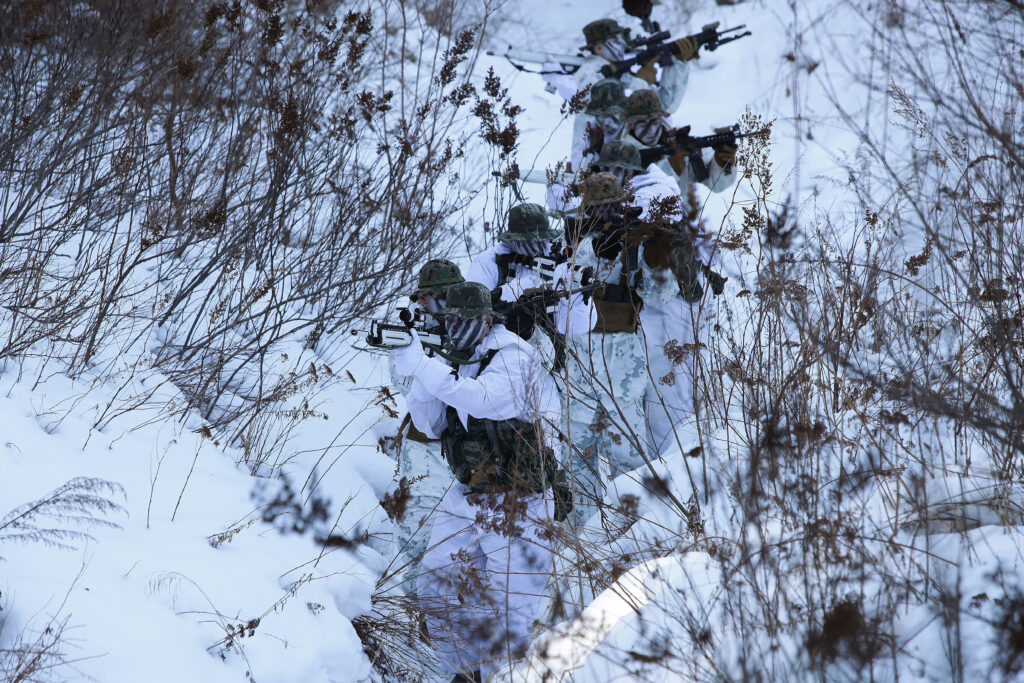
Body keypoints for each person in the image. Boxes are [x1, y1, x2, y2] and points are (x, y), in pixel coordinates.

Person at [396, 281, 567, 682]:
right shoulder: (455, 357)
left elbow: (483, 400)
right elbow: (431, 424)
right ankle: (466, 671)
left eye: (464, 322)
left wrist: (424, 363)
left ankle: (501, 674)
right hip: (469, 495)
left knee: (515, 611)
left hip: (520, 501)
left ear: (486, 319)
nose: (455, 329)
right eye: (450, 321)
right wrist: (419, 371)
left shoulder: (515, 356)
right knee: (435, 587)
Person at [562, 170, 679, 529]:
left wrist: (655, 258)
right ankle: (585, 535)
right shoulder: (571, 241)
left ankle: (629, 530)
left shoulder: (636, 242)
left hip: (621, 358)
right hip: (578, 358)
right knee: (578, 455)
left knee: (626, 451)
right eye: (597, 210)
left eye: (610, 208)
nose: (604, 217)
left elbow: (663, 294)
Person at [386, 259, 463, 596]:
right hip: (426, 451)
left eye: (449, 296)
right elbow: (410, 388)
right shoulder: (409, 337)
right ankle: (413, 621)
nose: (442, 305)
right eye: (434, 298)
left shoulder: (470, 329)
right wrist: (426, 356)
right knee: (418, 542)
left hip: (468, 451)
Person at [466, 202, 595, 373]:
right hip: (500, 357)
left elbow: (574, 325)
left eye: (540, 239)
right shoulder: (489, 262)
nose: (535, 245)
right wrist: (517, 292)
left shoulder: (558, 261)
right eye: (526, 241)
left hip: (550, 361)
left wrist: (580, 301)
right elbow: (473, 313)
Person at [617, 88, 739, 203]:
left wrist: (722, 163)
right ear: (630, 124)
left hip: (681, 219)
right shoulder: (620, 155)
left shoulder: (674, 141)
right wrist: (672, 166)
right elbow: (641, 197)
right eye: (643, 125)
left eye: (655, 122)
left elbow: (717, 185)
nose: (652, 130)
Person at [575, 18, 692, 118]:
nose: (623, 45)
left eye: (622, 38)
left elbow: (664, 106)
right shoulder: (590, 75)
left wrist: (678, 64)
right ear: (599, 48)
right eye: (615, 40)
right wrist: (640, 82)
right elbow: (615, 117)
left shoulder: (619, 73)